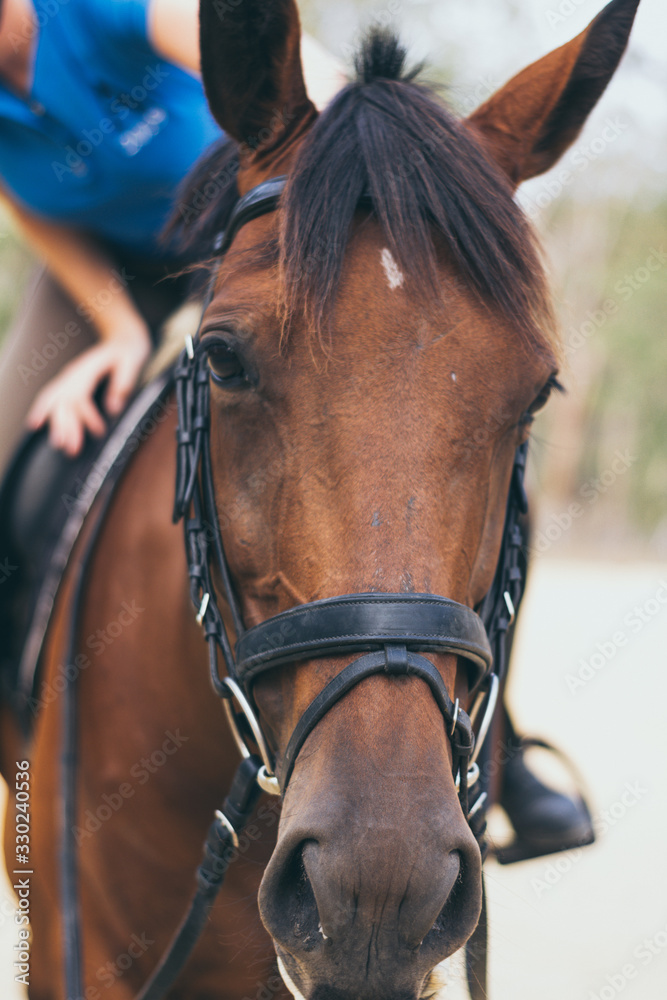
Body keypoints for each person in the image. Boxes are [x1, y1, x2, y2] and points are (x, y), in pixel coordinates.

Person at [0, 0, 591, 860]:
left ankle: (495, 742)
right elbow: (37, 210)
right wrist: (120, 333)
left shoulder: (109, 8)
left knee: (465, 462)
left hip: (271, 233)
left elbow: (318, 90)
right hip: (111, 281)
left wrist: (358, 193)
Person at [0, 0, 343, 467]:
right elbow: (34, 211)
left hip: (248, 229)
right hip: (114, 266)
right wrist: (120, 331)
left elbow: (314, 80)